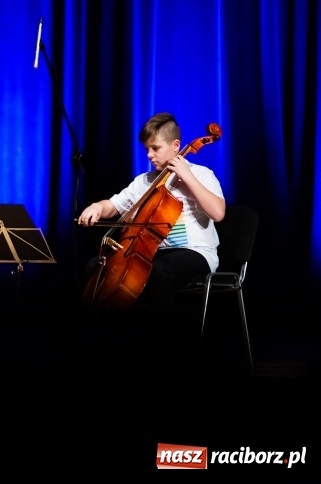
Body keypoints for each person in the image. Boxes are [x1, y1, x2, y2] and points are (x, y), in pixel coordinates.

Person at [76, 112, 225, 360]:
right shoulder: (144, 181)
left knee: (159, 271)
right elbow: (113, 206)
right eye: (147, 149)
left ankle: (161, 354)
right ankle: (99, 349)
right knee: (96, 266)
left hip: (196, 253)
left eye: (155, 148)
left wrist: (186, 176)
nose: (149, 155)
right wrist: (96, 208)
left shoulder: (202, 175)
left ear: (176, 146)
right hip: (151, 254)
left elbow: (218, 213)